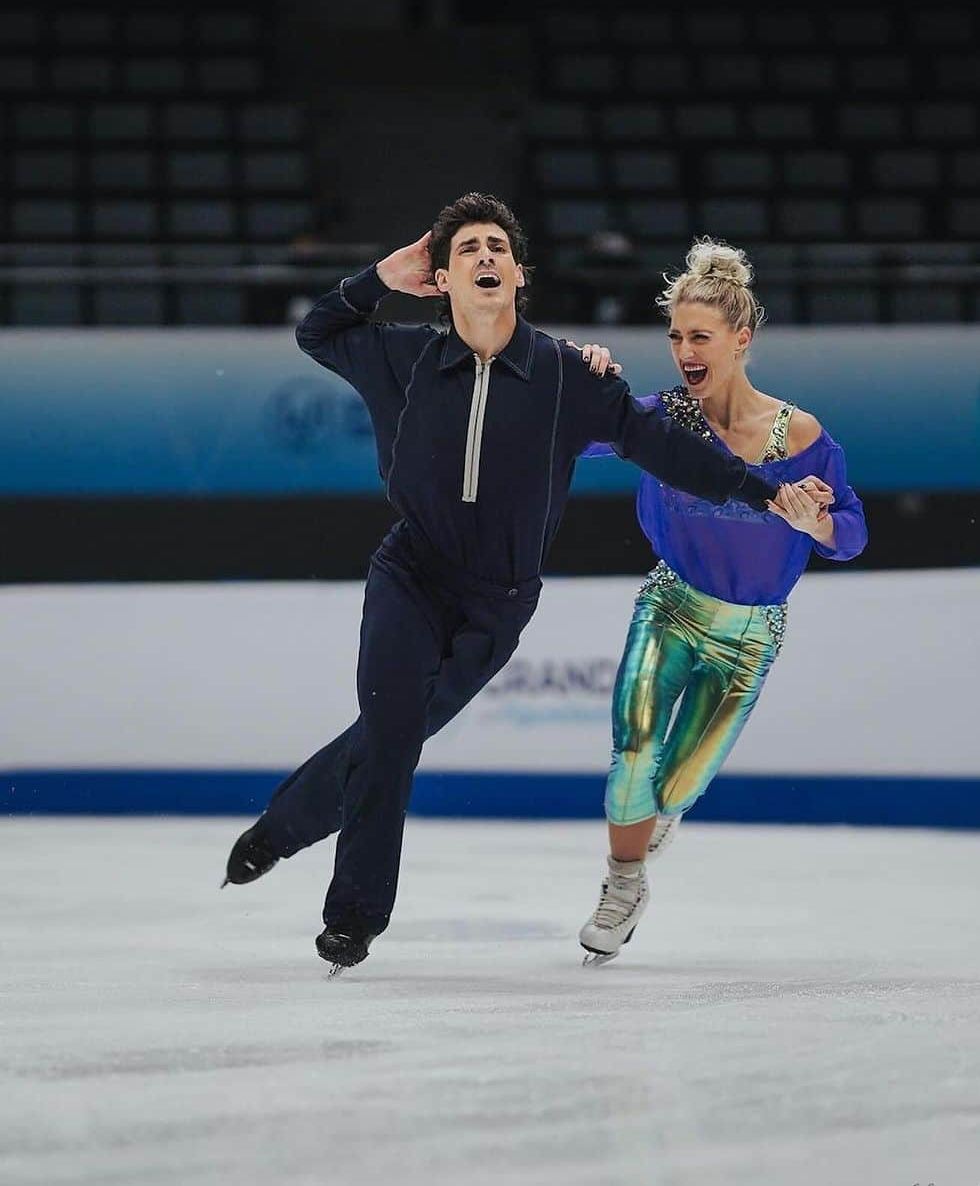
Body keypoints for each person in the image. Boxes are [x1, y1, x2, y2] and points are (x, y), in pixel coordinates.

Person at [220, 194, 797, 974]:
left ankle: (275, 831)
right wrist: (382, 276)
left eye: (497, 246)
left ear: (519, 274)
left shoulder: (568, 376)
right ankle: (352, 919)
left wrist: (763, 490)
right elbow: (316, 330)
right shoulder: (403, 358)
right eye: (467, 250)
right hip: (411, 574)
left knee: (392, 738)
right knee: (391, 738)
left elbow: (658, 444)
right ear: (445, 278)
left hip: (499, 599)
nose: (485, 256)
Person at [576, 237, 868, 965]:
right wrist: (583, 384)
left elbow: (852, 535)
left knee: (678, 781)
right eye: (675, 336)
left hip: (749, 637)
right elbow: (576, 437)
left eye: (698, 336)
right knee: (632, 754)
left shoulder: (801, 436)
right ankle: (623, 882)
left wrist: (817, 521)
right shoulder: (661, 418)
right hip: (670, 607)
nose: (682, 350)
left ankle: (662, 811)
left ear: (741, 340)